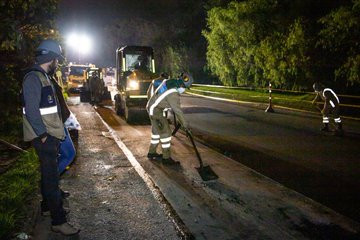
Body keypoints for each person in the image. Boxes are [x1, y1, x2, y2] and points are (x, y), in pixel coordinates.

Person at [22, 39, 80, 236]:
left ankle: (48, 207)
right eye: (58, 59)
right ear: (52, 58)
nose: (58, 63)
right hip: (44, 137)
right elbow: (31, 111)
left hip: (51, 134)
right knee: (51, 180)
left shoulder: (43, 76)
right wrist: (43, 135)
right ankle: (58, 221)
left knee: (50, 177)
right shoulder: (33, 78)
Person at [146, 73, 193, 163]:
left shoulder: (168, 82)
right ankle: (166, 158)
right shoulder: (173, 93)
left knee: (156, 133)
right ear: (182, 85)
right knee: (166, 133)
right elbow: (178, 110)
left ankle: (151, 153)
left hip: (153, 107)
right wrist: (185, 125)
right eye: (185, 88)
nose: (184, 90)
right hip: (156, 111)